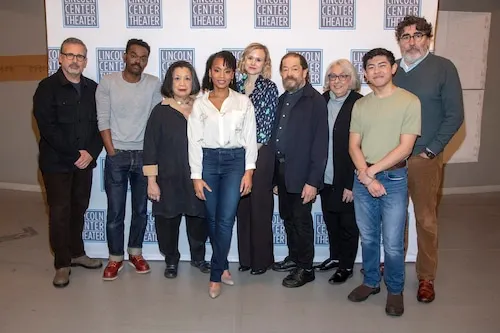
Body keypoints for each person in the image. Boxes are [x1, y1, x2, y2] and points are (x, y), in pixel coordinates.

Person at [393, 15, 464, 303]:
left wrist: (431, 150)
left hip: (425, 158)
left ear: (428, 38)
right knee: (394, 219)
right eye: (406, 36)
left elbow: (454, 115)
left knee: (425, 219)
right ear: (399, 41)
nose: (412, 41)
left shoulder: (443, 68)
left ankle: (426, 277)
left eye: (418, 35)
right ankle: (393, 266)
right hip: (393, 159)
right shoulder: (392, 70)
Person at [347, 48, 421, 317]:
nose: (376, 70)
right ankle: (370, 282)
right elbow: (353, 145)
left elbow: (406, 147)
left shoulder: (410, 101)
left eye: (382, 65)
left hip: (394, 178)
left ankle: (395, 289)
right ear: (365, 73)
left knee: (391, 241)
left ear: (393, 68)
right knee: (367, 237)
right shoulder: (361, 105)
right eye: (370, 66)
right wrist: (366, 176)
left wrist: (371, 173)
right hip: (364, 177)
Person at [33, 37, 103, 288]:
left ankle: (77, 253)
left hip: (85, 163)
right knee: (60, 212)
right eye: (70, 55)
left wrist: (92, 153)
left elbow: (101, 125)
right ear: (60, 58)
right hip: (57, 164)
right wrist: (75, 154)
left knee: (79, 208)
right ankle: (62, 263)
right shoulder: (46, 88)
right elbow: (47, 128)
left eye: (80, 56)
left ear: (85, 61)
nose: (75, 60)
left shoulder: (94, 89)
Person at [188, 51, 257, 298]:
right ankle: (224, 265)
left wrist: (249, 172)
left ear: (233, 74)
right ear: (209, 72)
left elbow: (250, 139)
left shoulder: (243, 102)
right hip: (207, 162)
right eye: (217, 70)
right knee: (213, 219)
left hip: (234, 162)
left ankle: (215, 275)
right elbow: (194, 141)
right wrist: (196, 176)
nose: (222, 76)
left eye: (228, 71)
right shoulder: (200, 103)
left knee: (226, 219)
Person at [96, 38, 163, 281]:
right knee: (115, 211)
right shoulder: (108, 82)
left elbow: (157, 122)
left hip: (145, 156)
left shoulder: (154, 84)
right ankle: (115, 258)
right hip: (118, 156)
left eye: (143, 57)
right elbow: (102, 120)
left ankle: (135, 252)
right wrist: (112, 151)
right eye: (134, 55)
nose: (138, 60)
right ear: (125, 56)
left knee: (141, 210)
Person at [143, 61, 210, 279]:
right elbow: (150, 147)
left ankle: (198, 258)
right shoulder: (160, 112)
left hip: (197, 178)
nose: (182, 83)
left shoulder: (203, 109)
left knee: (199, 221)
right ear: (170, 82)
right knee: (167, 223)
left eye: (187, 78)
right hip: (168, 179)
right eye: (177, 78)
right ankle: (171, 260)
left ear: (194, 82)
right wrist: (152, 181)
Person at [271, 52, 329, 288]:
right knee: (287, 218)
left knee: (301, 221)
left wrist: (313, 181)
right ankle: (295, 258)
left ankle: (306, 268)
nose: (289, 73)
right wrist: (275, 177)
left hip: (303, 175)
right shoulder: (282, 98)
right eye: (285, 69)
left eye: (295, 68)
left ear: (305, 72)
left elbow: (320, 144)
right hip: (283, 171)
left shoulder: (314, 100)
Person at [314, 59, 362, 284]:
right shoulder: (320, 102)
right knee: (330, 219)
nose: (337, 81)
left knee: (348, 224)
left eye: (343, 76)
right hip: (325, 176)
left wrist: (352, 183)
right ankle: (334, 257)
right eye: (332, 76)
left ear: (351, 80)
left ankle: (346, 265)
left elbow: (364, 146)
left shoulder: (360, 104)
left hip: (347, 177)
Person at [235, 43, 278, 275]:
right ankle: (246, 259)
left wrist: (249, 155)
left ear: (265, 64)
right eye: (250, 57)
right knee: (242, 206)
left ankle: (262, 261)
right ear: (244, 60)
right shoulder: (234, 86)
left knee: (260, 206)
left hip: (260, 153)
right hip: (237, 154)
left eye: (258, 59)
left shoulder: (269, 88)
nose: (253, 62)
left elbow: (265, 126)